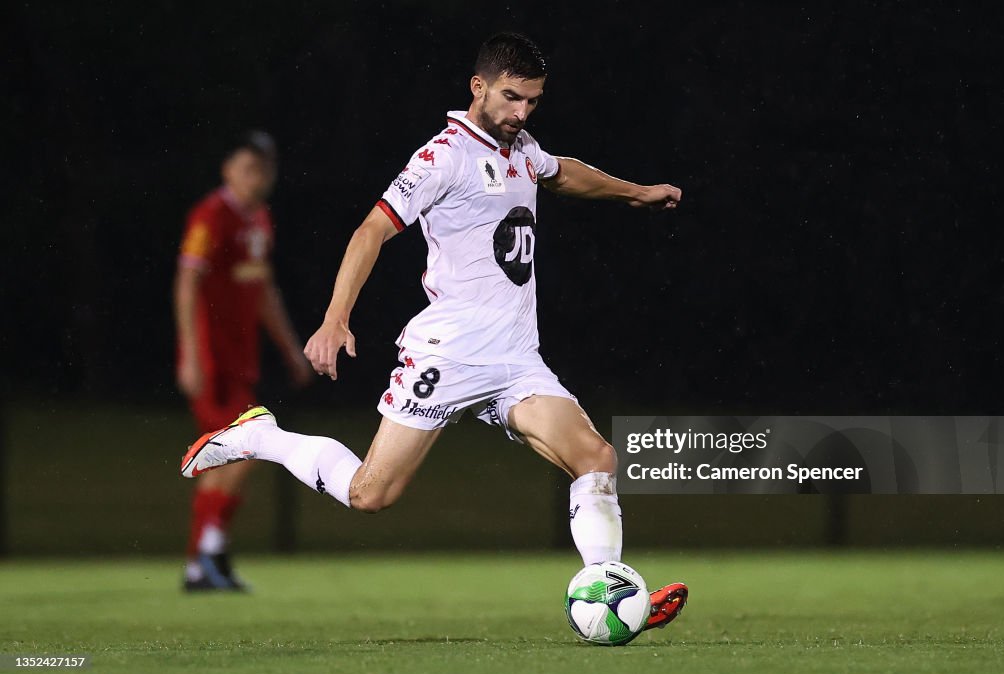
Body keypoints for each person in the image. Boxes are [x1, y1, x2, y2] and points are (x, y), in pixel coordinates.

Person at [180, 34, 688, 627]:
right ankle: (264, 436)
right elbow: (372, 230)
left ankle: (609, 590)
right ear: (478, 87)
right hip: (448, 356)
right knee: (371, 494)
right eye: (511, 97)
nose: (521, 112)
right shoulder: (442, 156)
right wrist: (335, 318)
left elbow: (559, 174)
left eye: (533, 101)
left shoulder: (521, 146)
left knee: (596, 457)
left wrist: (635, 193)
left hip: (518, 360)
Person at [174, 131, 312, 591]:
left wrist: (292, 348)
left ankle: (202, 563)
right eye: (249, 167)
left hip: (239, 361)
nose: (259, 176)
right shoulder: (211, 215)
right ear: (228, 170)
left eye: (265, 168)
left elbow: (265, 291)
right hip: (212, 363)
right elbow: (187, 283)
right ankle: (208, 554)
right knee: (242, 450)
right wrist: (191, 356)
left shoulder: (259, 219)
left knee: (228, 457)